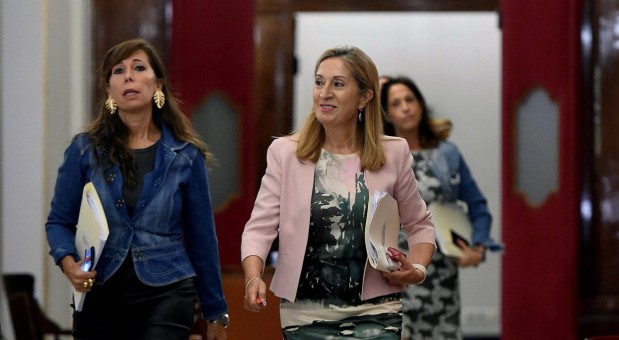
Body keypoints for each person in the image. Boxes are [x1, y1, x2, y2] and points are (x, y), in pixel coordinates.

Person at [241, 46, 437, 339]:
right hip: (305, 313)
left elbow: (420, 225)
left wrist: (418, 268)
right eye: (319, 82)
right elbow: (259, 228)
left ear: (364, 97)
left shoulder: (393, 152)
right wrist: (252, 277)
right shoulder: (286, 153)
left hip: (377, 312)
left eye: (338, 84)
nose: (324, 92)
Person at [45, 38, 228, 340]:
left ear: (158, 85)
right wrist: (69, 264)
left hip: (168, 290)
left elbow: (202, 240)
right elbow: (58, 222)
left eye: (138, 68)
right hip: (100, 288)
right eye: (118, 71)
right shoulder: (84, 149)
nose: (128, 76)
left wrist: (216, 311)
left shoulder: (185, 156)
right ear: (109, 90)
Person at [381, 76, 502, 340]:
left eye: (410, 100)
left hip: (440, 272)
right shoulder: (380, 155)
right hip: (394, 270)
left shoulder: (446, 154)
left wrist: (478, 248)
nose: (405, 107)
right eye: (396, 103)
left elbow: (478, 205)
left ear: (421, 104)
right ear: (387, 114)